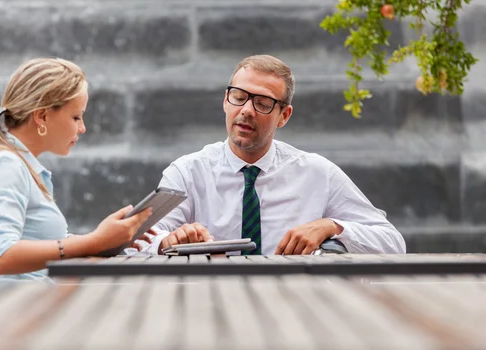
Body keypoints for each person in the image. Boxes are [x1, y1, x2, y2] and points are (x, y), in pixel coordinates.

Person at [142, 55, 405, 255]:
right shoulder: (187, 173)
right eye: (239, 96)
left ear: (284, 116)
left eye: (263, 103)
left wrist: (332, 226)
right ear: (225, 100)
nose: (246, 110)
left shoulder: (317, 174)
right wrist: (167, 242)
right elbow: (134, 243)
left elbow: (393, 243)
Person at [0, 58, 153, 305]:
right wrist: (93, 241)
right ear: (41, 116)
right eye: (76, 117)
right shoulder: (5, 166)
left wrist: (108, 241)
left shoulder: (20, 165)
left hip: (19, 310)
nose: (82, 128)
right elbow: (2, 257)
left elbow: (35, 245)